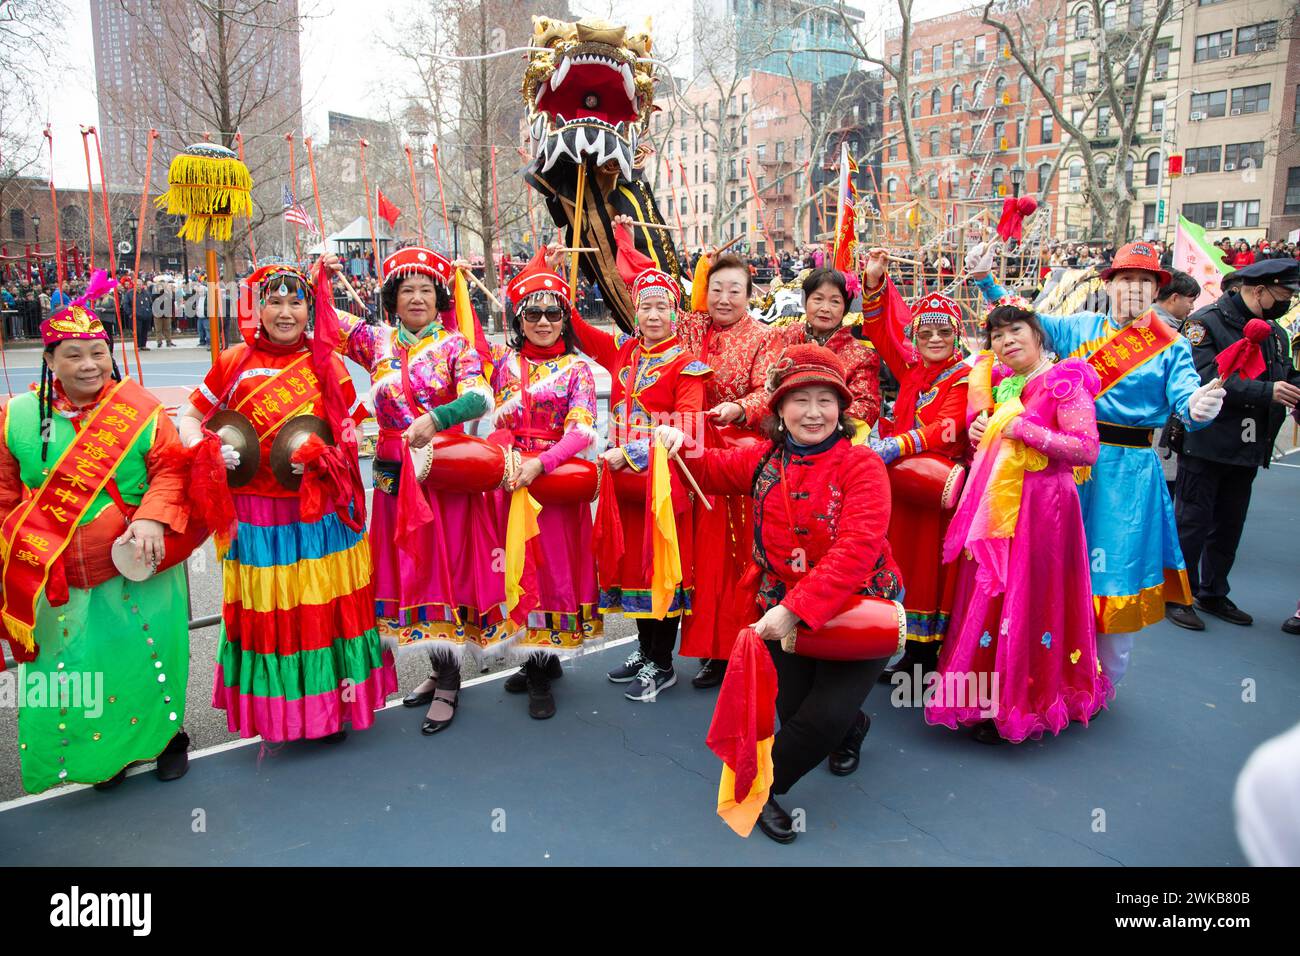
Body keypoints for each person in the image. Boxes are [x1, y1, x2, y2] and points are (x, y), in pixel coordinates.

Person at [653, 345, 902, 844]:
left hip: (858, 607)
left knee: (817, 721)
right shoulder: (764, 460)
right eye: (800, 400)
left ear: (841, 408)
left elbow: (856, 549)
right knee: (796, 710)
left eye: (825, 401)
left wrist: (793, 611)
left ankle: (762, 791)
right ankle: (853, 728)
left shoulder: (863, 466)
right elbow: (709, 469)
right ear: (780, 410)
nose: (813, 412)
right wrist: (682, 442)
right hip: (779, 605)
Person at [966, 240, 1225, 687]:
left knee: (1113, 571)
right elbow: (1028, 325)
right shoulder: (1081, 327)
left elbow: (1186, 400)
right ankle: (1049, 672)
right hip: (1060, 466)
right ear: (1112, 286)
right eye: (1126, 281)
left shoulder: (1172, 346)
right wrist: (987, 280)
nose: (1134, 290)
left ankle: (1100, 681)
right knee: (1053, 564)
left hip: (1127, 474)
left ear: (1156, 290)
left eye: (1145, 282)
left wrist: (1197, 408)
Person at [179, 262, 396, 745]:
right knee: (272, 613)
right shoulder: (234, 360)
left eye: (295, 301)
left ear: (310, 308)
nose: (285, 312)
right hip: (258, 516)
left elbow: (350, 433)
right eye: (274, 301)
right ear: (257, 307)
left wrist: (327, 459)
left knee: (320, 610)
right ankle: (280, 716)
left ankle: (327, 712)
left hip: (320, 518)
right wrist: (206, 447)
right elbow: (189, 416)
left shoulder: (328, 363)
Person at [0, 276, 193, 792]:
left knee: (148, 657)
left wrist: (153, 515)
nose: (88, 365)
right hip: (54, 571)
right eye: (73, 355)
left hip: (135, 563)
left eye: (97, 353)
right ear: (50, 361)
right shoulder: (17, 417)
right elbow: (3, 493)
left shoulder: (141, 411)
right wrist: (17, 539)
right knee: (78, 666)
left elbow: (171, 470)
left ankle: (167, 739)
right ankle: (102, 755)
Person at [330, 247, 498, 735]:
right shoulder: (376, 341)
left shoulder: (454, 347)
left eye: (427, 289)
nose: (418, 298)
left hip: (438, 475)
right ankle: (434, 668)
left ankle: (449, 680)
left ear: (439, 296)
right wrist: (322, 273)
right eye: (408, 290)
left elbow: (480, 396)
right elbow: (318, 318)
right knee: (406, 571)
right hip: (390, 477)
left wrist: (437, 417)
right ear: (392, 299)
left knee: (439, 572)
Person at [926, 300, 1110, 744]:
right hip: (1000, 506)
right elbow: (998, 439)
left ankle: (1024, 700)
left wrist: (1022, 429)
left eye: (1016, 332)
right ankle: (986, 697)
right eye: (998, 336)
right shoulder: (1007, 385)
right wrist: (982, 433)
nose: (1007, 342)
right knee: (993, 594)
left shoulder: (1065, 382)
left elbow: (1085, 449)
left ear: (1038, 334)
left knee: (1030, 597)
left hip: (1045, 508)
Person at [567, 264, 711, 702]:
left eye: (661, 307)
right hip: (623, 492)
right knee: (633, 572)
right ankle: (645, 649)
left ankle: (662, 663)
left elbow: (687, 431)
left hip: (662, 492)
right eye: (645, 306)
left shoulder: (688, 367)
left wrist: (626, 454)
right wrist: (549, 269)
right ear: (634, 312)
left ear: (675, 313)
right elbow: (571, 323)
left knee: (659, 574)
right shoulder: (623, 352)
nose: (652, 315)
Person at [657, 240, 774, 690]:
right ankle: (706, 648)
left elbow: (768, 392)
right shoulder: (690, 328)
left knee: (736, 557)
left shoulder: (763, 337)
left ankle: (737, 650)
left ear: (750, 295)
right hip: (689, 455)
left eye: (735, 291)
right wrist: (625, 241)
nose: (724, 299)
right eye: (717, 289)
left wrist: (738, 409)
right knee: (698, 559)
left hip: (738, 460)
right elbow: (646, 294)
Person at [490, 250, 602, 720]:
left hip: (555, 485)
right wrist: (507, 453)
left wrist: (543, 463)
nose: (542, 321)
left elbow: (582, 428)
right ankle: (537, 660)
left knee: (552, 573)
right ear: (519, 319)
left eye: (552, 312)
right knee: (519, 568)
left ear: (565, 319)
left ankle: (541, 670)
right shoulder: (502, 363)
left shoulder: (576, 370)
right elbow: (492, 419)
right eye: (532, 313)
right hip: (513, 480)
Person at [856, 247, 970, 682]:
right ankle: (910, 649)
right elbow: (880, 332)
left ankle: (927, 658)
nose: (934, 340)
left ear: (956, 336)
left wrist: (895, 444)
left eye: (943, 333)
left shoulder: (964, 376)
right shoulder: (913, 368)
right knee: (901, 562)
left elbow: (948, 427)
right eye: (926, 334)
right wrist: (874, 283)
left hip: (937, 490)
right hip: (903, 486)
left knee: (930, 569)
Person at [1167, 259, 1300, 630]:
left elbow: (1283, 374)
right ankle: (1179, 594)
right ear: (1258, 290)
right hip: (1207, 440)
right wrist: (1266, 391)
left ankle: (1213, 591)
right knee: (1192, 521)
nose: (1286, 302)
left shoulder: (1275, 333)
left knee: (1229, 525)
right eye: (1283, 294)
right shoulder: (1204, 324)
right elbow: (1203, 378)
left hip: (1248, 445)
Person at [768, 268, 881, 438]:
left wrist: (819, 425)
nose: (825, 308)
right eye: (818, 299)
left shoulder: (860, 355)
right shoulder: (784, 336)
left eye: (835, 302)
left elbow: (866, 406)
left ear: (845, 308)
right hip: (781, 434)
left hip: (834, 440)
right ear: (805, 301)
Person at [1152, 270, 1202, 495]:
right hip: (1156, 435)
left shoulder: (1174, 330)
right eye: (1190, 301)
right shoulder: (1165, 335)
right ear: (1174, 298)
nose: (1191, 308)